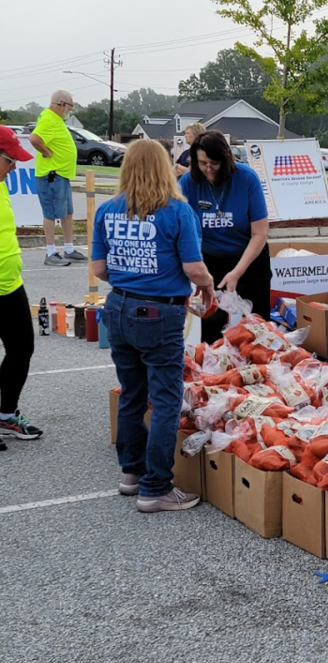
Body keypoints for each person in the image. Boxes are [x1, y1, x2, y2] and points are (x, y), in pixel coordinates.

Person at [92, 140, 215, 512]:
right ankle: (156, 487)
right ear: (164, 167)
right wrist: (207, 287)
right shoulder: (177, 211)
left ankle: (132, 472)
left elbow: (98, 270)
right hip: (159, 313)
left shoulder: (107, 210)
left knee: (132, 394)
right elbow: (193, 268)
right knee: (164, 401)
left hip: (118, 306)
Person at [179, 130, 270, 343]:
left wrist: (237, 272)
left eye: (214, 163)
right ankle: (215, 370)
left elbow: (260, 233)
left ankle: (258, 371)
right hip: (210, 259)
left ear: (226, 158)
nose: (208, 169)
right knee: (211, 325)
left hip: (249, 257)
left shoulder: (247, 178)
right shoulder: (188, 182)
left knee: (258, 326)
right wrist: (196, 272)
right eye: (202, 164)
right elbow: (185, 233)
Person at [0, 126, 43, 449]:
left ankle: (5, 414)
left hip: (11, 284)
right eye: (9, 160)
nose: (14, 167)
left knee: (22, 348)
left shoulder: (2, 186)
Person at [29, 90, 84, 267]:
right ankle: (50, 252)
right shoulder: (49, 119)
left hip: (61, 174)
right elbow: (34, 138)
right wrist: (47, 153)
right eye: (70, 107)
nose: (70, 111)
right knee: (51, 213)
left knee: (67, 212)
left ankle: (69, 249)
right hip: (51, 175)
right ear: (61, 104)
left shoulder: (56, 120)